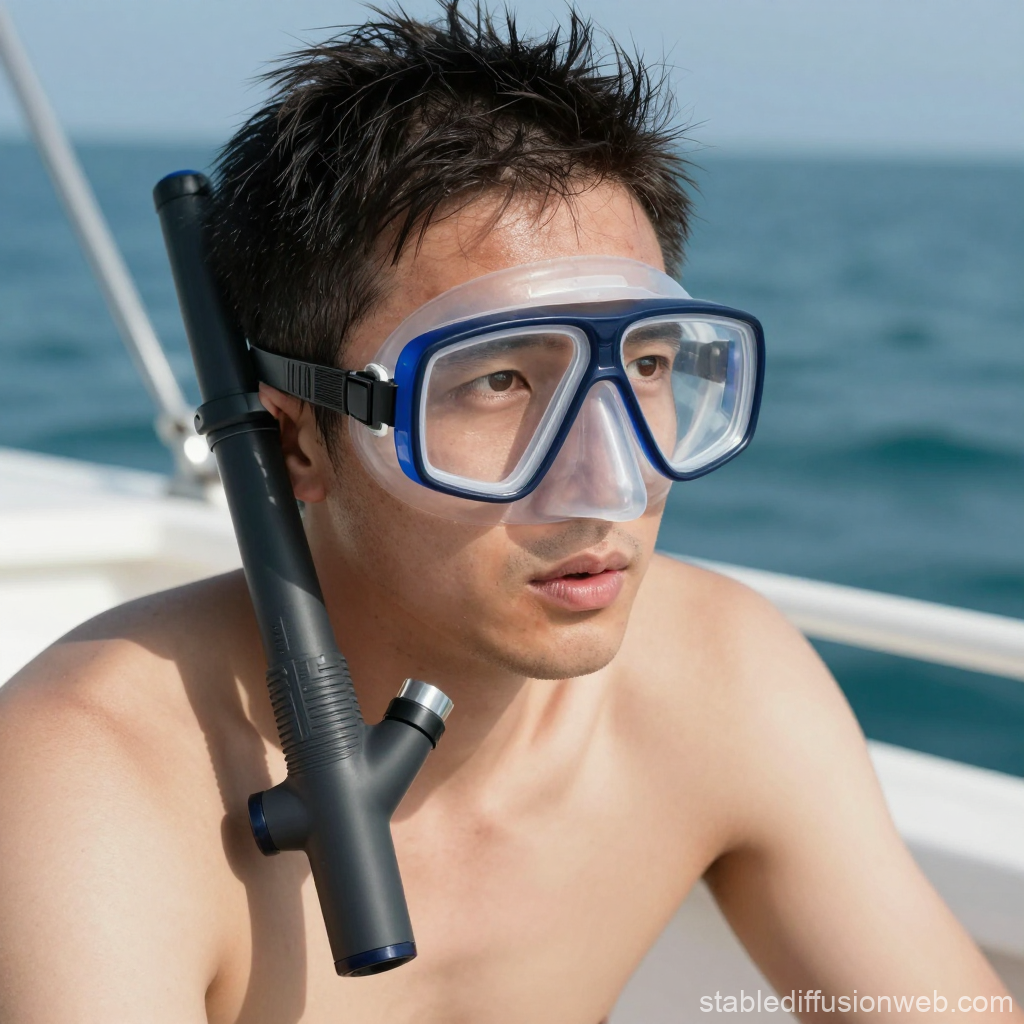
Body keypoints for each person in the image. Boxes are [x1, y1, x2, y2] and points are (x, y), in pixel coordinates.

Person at [0, 5, 1015, 1021]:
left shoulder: (717, 679)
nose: (606, 480)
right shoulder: (91, 781)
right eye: (496, 383)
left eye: (651, 365)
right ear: (301, 441)